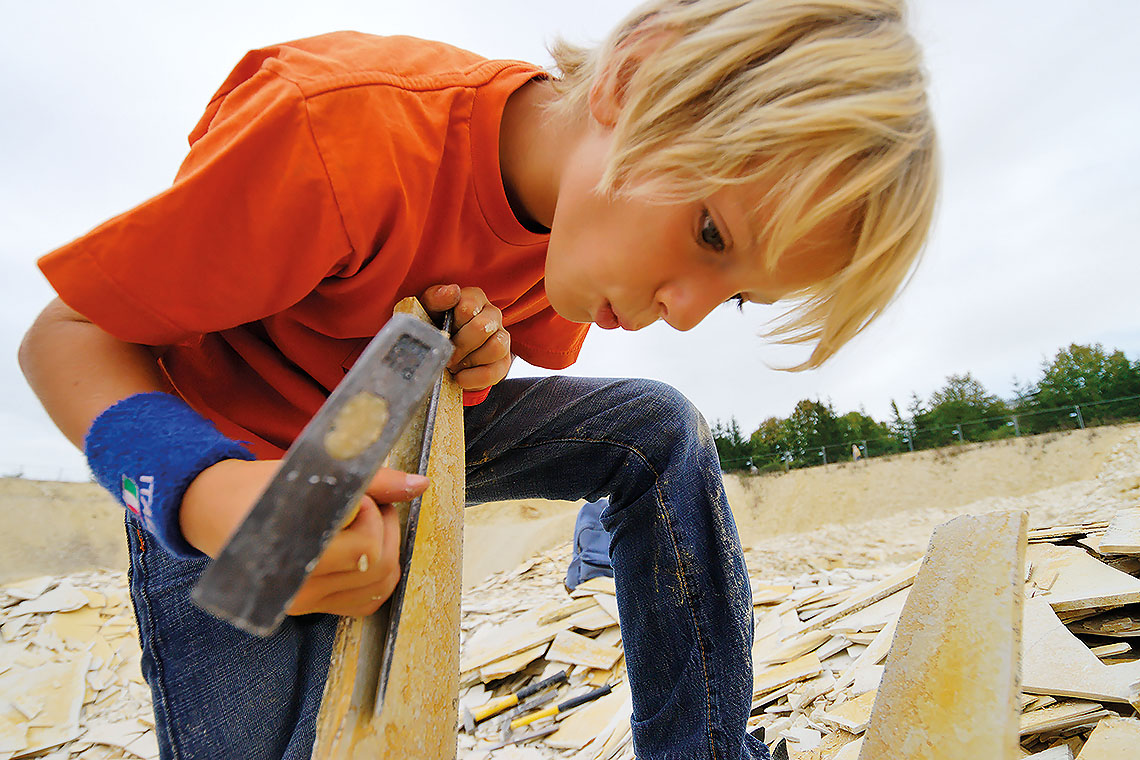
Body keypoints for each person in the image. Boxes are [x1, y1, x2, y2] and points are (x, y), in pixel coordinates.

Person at [18, 1, 937, 758]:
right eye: (710, 237)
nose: (686, 311)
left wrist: (474, 358)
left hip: (389, 429)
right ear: (633, 80)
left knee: (658, 429)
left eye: (735, 298)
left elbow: (474, 351)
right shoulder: (341, 136)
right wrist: (208, 498)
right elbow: (64, 335)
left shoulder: (581, 226)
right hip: (229, 459)